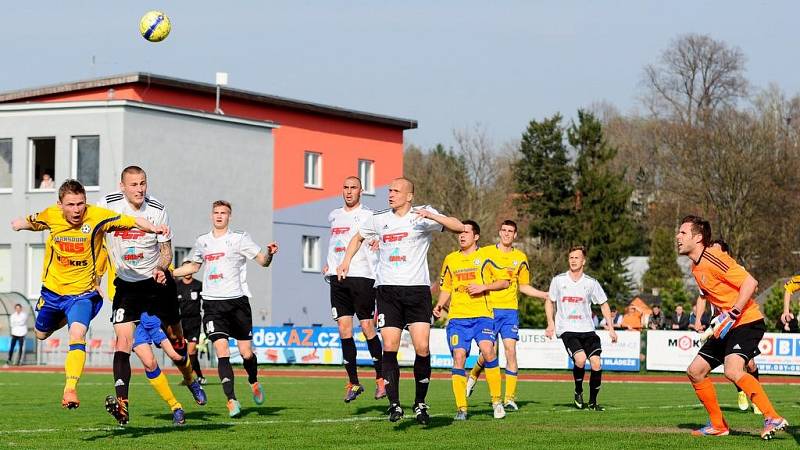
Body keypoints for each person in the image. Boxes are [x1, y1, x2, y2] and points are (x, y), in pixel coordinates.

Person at [9, 178, 166, 409]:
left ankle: (70, 389)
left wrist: (154, 228)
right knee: (41, 334)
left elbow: (133, 221)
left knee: (77, 334)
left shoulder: (98, 216)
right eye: (71, 205)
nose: (76, 210)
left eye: (80, 204)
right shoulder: (50, 214)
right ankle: (64, 317)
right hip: (53, 293)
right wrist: (18, 223)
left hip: (83, 294)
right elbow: (33, 222)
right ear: (60, 204)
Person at [337, 177, 465, 424]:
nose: (391, 194)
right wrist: (346, 261)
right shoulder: (379, 219)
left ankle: (420, 403)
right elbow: (357, 237)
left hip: (417, 292)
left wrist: (432, 215)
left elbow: (459, 227)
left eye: (396, 191)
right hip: (387, 291)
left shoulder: (422, 216)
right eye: (389, 190)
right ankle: (394, 404)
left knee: (422, 348)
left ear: (409, 196)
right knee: (390, 347)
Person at [98, 166, 206, 425]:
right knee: (122, 342)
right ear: (122, 186)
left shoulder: (157, 209)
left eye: (143, 183)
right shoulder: (108, 205)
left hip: (157, 282)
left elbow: (166, 251)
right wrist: (94, 274)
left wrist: (160, 268)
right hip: (126, 286)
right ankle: (122, 404)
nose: (139, 189)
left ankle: (190, 379)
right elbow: (93, 234)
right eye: (134, 185)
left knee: (176, 342)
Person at [677, 215, 787, 439]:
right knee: (695, 371)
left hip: (747, 320)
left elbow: (750, 283)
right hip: (727, 326)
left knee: (733, 371)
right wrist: (715, 322)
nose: (677, 237)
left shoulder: (713, 257)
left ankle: (772, 417)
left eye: (683, 233)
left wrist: (734, 312)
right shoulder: (695, 268)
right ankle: (718, 425)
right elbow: (716, 298)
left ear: (698, 238)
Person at [172, 200, 279, 418]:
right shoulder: (202, 241)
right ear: (211, 215)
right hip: (212, 304)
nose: (219, 216)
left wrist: (270, 254)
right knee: (222, 352)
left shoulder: (239, 238)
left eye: (224, 213)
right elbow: (193, 266)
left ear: (229, 216)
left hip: (237, 303)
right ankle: (231, 400)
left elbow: (263, 261)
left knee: (246, 353)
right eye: (216, 212)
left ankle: (253, 381)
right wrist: (168, 273)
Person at [466, 219, 549, 411]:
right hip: (489, 309)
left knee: (511, 351)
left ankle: (510, 397)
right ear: (499, 232)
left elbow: (524, 286)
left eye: (510, 231)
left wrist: (542, 294)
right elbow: (471, 269)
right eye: (503, 230)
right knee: (489, 352)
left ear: (515, 235)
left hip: (510, 310)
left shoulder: (520, 257)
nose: (506, 233)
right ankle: (473, 375)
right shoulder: (485, 252)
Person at [433, 220, 510, 420]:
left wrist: (484, 287)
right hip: (458, 318)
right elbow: (446, 287)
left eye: (466, 232)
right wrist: (440, 304)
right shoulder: (450, 259)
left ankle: (496, 402)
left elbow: (504, 282)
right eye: (460, 232)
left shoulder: (485, 256)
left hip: (482, 316)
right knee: (459, 357)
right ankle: (462, 409)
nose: (462, 235)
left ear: (476, 236)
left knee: (488, 351)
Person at [322, 176, 384, 403]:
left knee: (367, 326)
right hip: (338, 278)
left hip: (362, 277)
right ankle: (354, 383)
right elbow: (334, 243)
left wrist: (379, 242)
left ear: (361, 191)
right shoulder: (334, 215)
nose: (349, 192)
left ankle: (380, 378)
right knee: (344, 329)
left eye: (353, 188)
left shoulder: (369, 215)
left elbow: (381, 238)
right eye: (345, 187)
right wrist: (329, 263)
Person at [545, 245, 618, 411]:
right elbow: (550, 301)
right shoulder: (559, 280)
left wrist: (611, 328)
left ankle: (593, 403)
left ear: (583, 261)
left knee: (596, 363)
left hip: (588, 329)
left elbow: (604, 304)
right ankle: (578, 390)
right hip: (567, 329)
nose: (573, 260)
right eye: (571, 257)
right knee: (580, 359)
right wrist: (550, 323)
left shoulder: (591, 283)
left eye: (577, 257)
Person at [698, 238, 761, 415]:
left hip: (741, 320)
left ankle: (757, 400)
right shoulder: (705, 267)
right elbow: (702, 296)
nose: (713, 253)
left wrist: (735, 309)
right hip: (721, 324)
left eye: (717, 250)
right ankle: (741, 392)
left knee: (750, 364)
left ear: (725, 253)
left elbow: (752, 287)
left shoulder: (735, 268)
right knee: (729, 367)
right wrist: (698, 319)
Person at [176, 260, 206, 384]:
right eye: (185, 268)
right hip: (180, 322)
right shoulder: (177, 286)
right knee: (183, 353)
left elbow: (207, 302)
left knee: (191, 350)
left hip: (194, 321)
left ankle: (188, 378)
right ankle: (200, 376)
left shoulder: (199, 285)